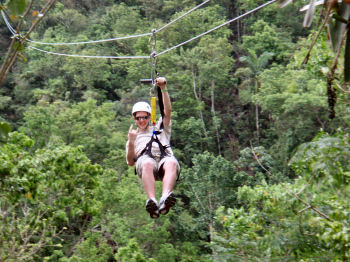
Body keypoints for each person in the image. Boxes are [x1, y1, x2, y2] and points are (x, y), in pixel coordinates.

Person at [126, 77, 180, 218]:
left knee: (172, 162)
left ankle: (164, 198)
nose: (142, 120)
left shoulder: (160, 127)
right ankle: (152, 201)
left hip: (163, 160)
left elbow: (167, 111)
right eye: (139, 118)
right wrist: (131, 141)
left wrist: (163, 89)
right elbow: (131, 161)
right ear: (135, 119)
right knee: (148, 162)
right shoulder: (133, 136)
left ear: (150, 117)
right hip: (146, 164)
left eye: (145, 117)